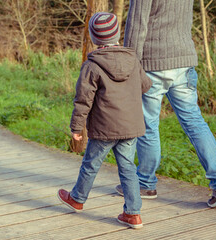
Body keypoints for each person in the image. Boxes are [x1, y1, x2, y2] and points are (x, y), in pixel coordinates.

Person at [120, 0, 216, 208]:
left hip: (154, 63)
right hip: (184, 61)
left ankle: (145, 183)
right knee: (195, 122)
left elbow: (136, 26)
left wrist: (130, 66)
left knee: (148, 125)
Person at [57, 12, 152, 229]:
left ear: (94, 37)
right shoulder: (132, 58)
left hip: (105, 128)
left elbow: (83, 100)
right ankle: (133, 214)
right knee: (128, 168)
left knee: (91, 164)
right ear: (117, 34)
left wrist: (76, 127)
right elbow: (146, 85)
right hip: (130, 127)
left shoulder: (92, 65)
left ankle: (77, 199)